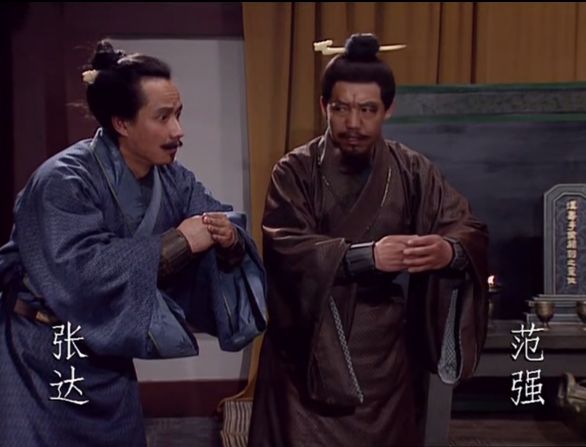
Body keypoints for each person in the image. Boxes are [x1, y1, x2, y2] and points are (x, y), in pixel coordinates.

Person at [0, 40, 265, 446]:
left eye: (178, 114)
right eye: (163, 117)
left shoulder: (173, 179)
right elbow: (81, 271)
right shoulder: (62, 180)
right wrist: (180, 241)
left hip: (107, 355)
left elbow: (215, 220)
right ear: (122, 123)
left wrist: (228, 241)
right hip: (44, 349)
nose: (178, 131)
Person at [247, 33, 489, 447]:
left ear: (388, 109)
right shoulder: (295, 171)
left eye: (367, 109)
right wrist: (367, 257)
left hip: (383, 356)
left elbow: (466, 228)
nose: (353, 123)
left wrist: (447, 251)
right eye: (341, 108)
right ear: (324, 106)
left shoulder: (411, 169)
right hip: (308, 352)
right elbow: (286, 248)